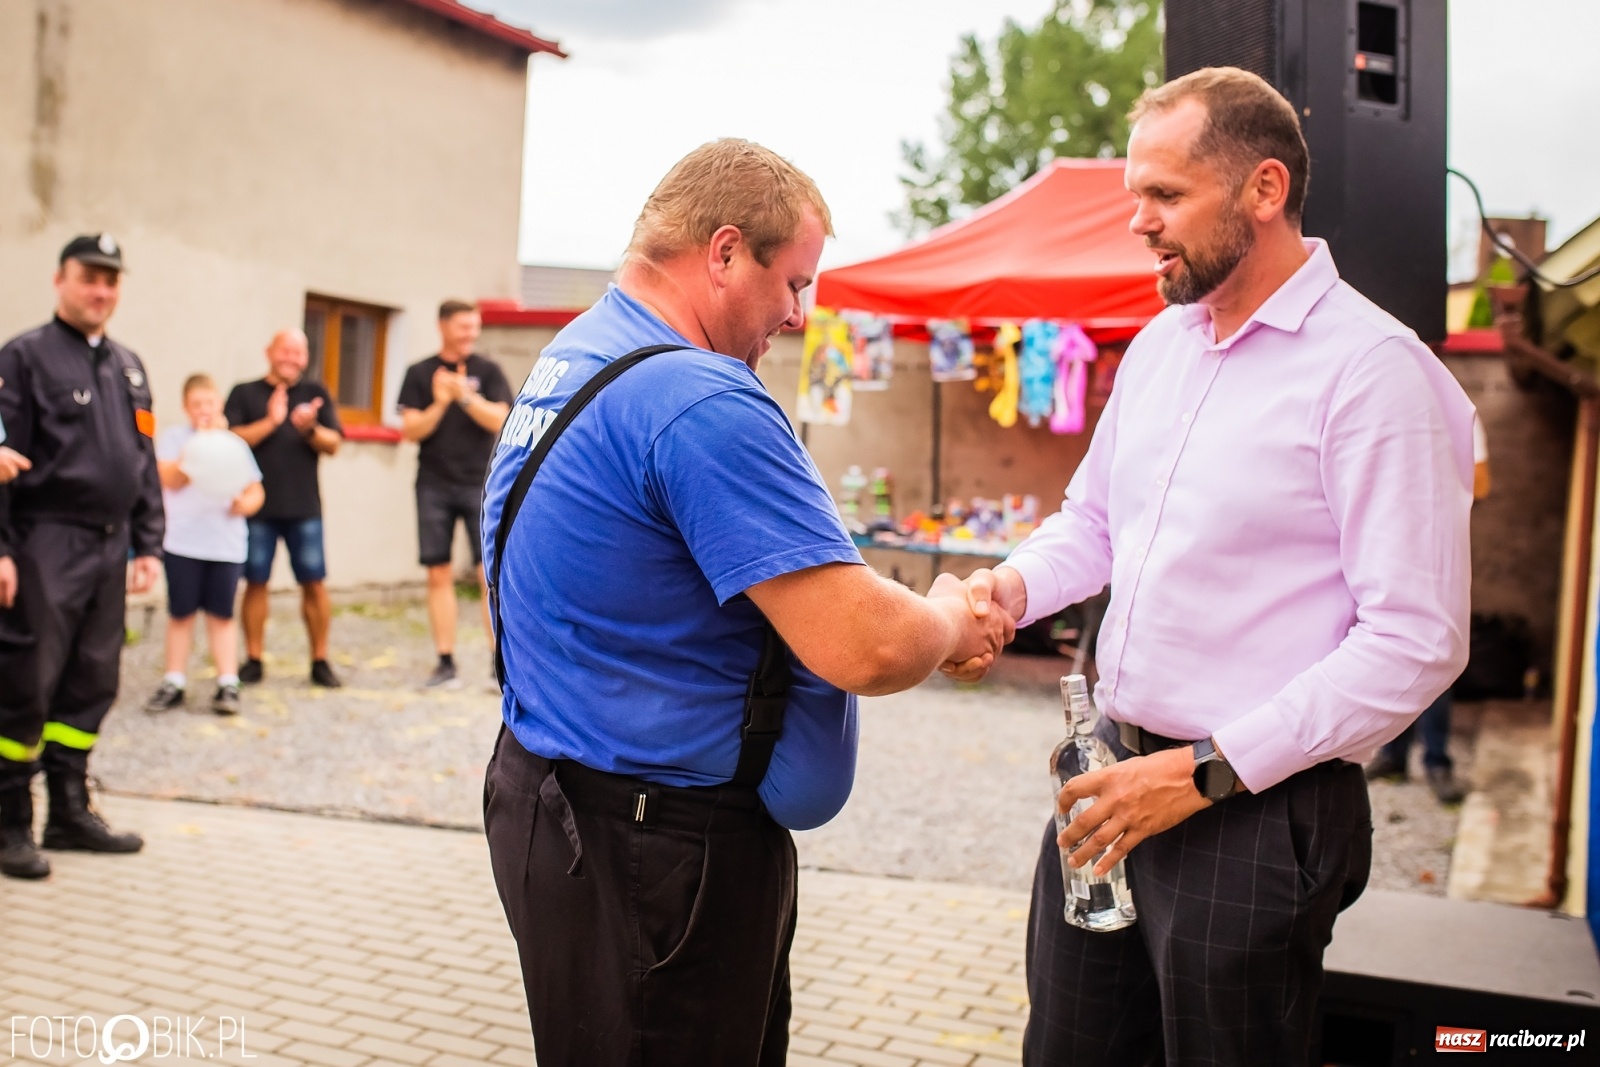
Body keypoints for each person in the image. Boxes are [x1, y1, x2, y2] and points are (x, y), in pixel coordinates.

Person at [948, 69, 1474, 1065]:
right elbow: (1092, 523)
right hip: (1110, 775)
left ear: (1261, 190)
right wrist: (1006, 590)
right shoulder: (1156, 347)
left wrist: (1204, 770)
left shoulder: (1374, 372)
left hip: (1254, 805)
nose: (1138, 223)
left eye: (1164, 195)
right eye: (1132, 197)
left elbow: (1416, 639)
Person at [480, 139, 1011, 1065]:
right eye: (795, 282)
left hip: (560, 809)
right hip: (659, 855)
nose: (800, 316)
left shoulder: (578, 351)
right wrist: (953, 616)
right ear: (724, 252)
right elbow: (865, 645)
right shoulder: (699, 396)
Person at [0, 233, 162, 881]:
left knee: (93, 678)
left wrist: (148, 541)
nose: (101, 290)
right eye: (89, 277)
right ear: (60, 279)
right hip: (44, 541)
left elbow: (142, 459)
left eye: (111, 280)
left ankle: (68, 809)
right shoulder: (23, 358)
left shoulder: (129, 366)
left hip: (108, 543)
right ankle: (10, 818)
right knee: (25, 681)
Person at [1366, 414, 1493, 804]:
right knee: (1385, 652)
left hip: (1435, 550)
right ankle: (1393, 755)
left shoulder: (1458, 413)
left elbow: (1482, 484)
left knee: (1433, 655)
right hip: (1385, 546)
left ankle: (1437, 760)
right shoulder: (1384, 407)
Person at [397, 300, 512, 687]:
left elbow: (502, 419)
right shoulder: (419, 373)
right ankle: (445, 662)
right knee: (437, 571)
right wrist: (440, 402)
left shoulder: (488, 370)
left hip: (481, 483)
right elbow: (411, 430)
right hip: (433, 484)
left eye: (474, 327)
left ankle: (498, 663)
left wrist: (464, 397)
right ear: (443, 326)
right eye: (464, 327)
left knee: (488, 574)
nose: (471, 334)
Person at [225, 329, 344, 688]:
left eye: (299, 352)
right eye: (285, 351)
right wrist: (271, 422)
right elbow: (229, 439)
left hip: (304, 507)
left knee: (314, 584)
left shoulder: (315, 394)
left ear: (306, 358)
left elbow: (334, 443)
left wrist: (309, 429)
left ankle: (320, 660)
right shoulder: (244, 393)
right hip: (257, 508)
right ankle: (254, 658)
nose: (292, 358)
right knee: (256, 583)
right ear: (269, 352)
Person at [143, 374, 265, 717]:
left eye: (208, 404)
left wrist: (246, 504)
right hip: (183, 543)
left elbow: (255, 489)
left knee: (222, 615)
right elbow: (169, 478)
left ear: (219, 406)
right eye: (196, 405)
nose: (203, 411)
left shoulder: (235, 444)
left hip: (224, 545)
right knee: (180, 613)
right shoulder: (174, 440)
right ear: (186, 407)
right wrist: (196, 450)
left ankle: (228, 681)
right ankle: (174, 680)